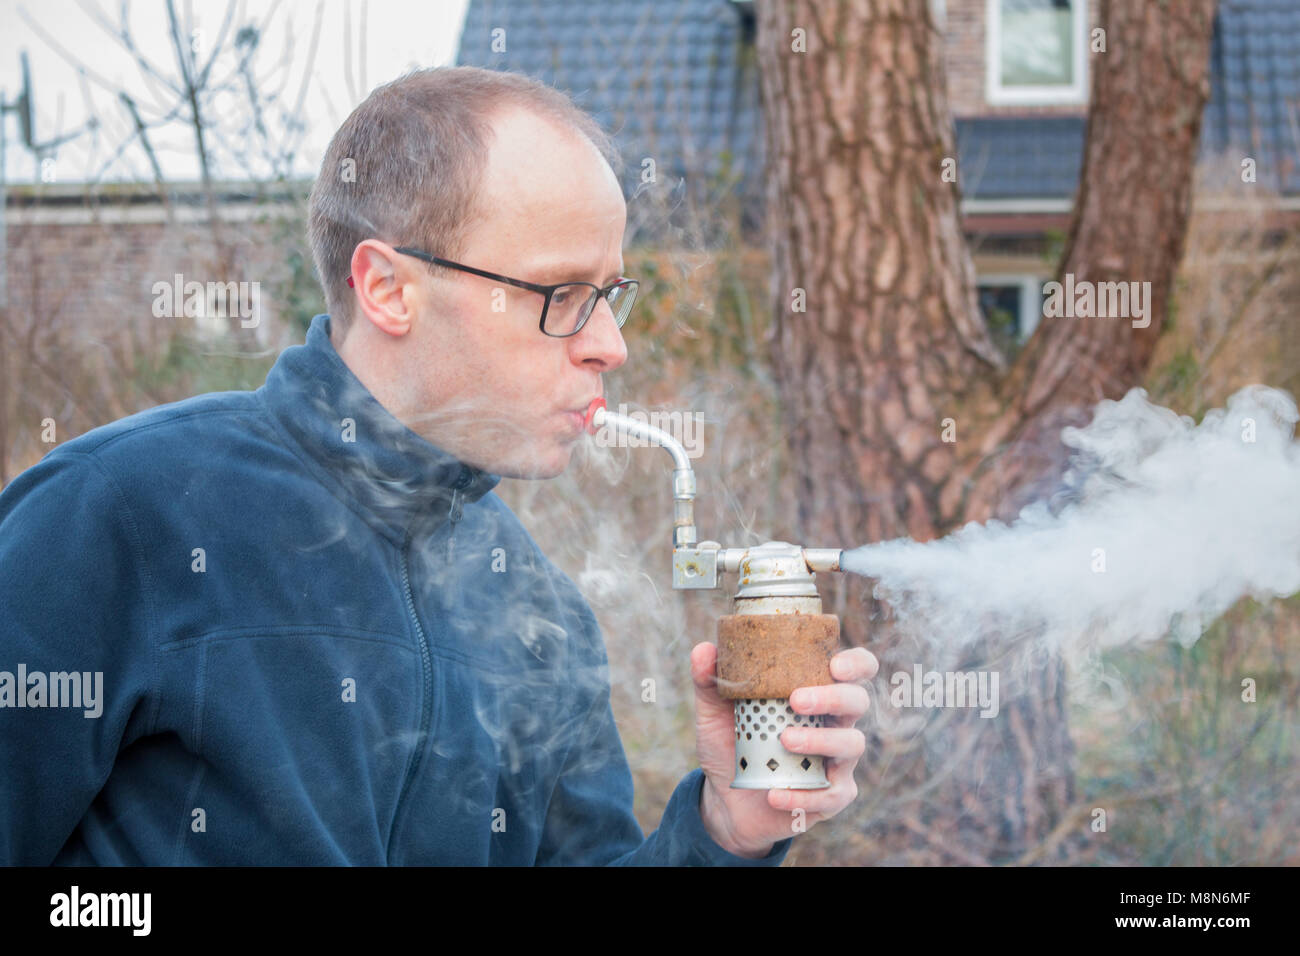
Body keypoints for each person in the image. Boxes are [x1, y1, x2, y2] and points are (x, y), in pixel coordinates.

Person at [0, 66, 876, 865]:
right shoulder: (115, 517)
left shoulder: (543, 617)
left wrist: (724, 833)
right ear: (389, 289)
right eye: (561, 296)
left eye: (611, 298)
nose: (609, 346)